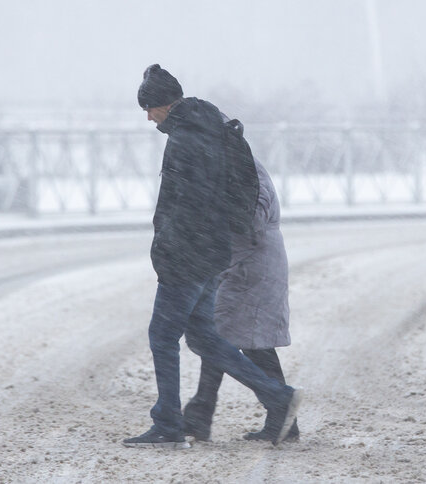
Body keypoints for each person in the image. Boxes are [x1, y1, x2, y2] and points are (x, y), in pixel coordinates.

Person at [122, 64, 302, 449]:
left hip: (188, 256)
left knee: (162, 336)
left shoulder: (185, 140)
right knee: (206, 338)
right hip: (209, 254)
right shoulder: (209, 132)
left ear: (163, 105)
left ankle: (169, 423)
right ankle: (277, 397)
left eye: (149, 109)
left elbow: (185, 204)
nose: (148, 117)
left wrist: (167, 252)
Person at [182, 156, 300, 443]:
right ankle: (204, 412)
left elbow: (251, 217)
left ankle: (279, 410)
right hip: (245, 261)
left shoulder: (241, 166)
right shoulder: (233, 163)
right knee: (225, 335)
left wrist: (212, 219)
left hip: (251, 263)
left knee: (247, 340)